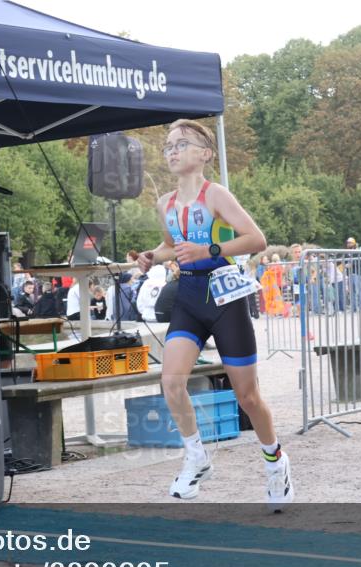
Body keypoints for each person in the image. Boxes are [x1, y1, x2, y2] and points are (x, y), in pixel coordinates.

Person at [135, 118, 293, 508]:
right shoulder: (165, 203)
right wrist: (153, 255)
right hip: (189, 295)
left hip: (225, 297)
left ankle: (276, 462)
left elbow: (256, 239)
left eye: (181, 144)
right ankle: (196, 455)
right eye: (168, 146)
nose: (172, 151)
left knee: (248, 396)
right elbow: (172, 245)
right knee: (171, 383)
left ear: (205, 154)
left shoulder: (216, 195)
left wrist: (210, 250)